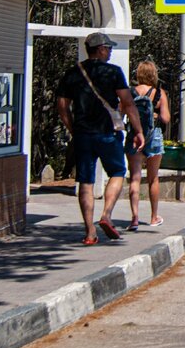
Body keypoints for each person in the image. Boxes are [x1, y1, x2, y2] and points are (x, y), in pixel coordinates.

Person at [55, 32, 144, 245]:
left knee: (85, 181)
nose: (111, 52)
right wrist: (138, 130)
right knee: (117, 172)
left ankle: (89, 232)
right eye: (109, 48)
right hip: (108, 133)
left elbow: (62, 106)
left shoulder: (72, 73)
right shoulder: (113, 72)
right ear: (101, 49)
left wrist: (73, 128)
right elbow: (128, 102)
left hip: (83, 135)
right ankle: (106, 215)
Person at [125, 60, 170, 230]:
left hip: (135, 135)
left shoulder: (131, 92)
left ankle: (134, 218)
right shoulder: (160, 93)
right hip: (154, 136)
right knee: (153, 178)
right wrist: (156, 114)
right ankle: (153, 217)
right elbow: (166, 118)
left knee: (135, 177)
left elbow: (123, 110)